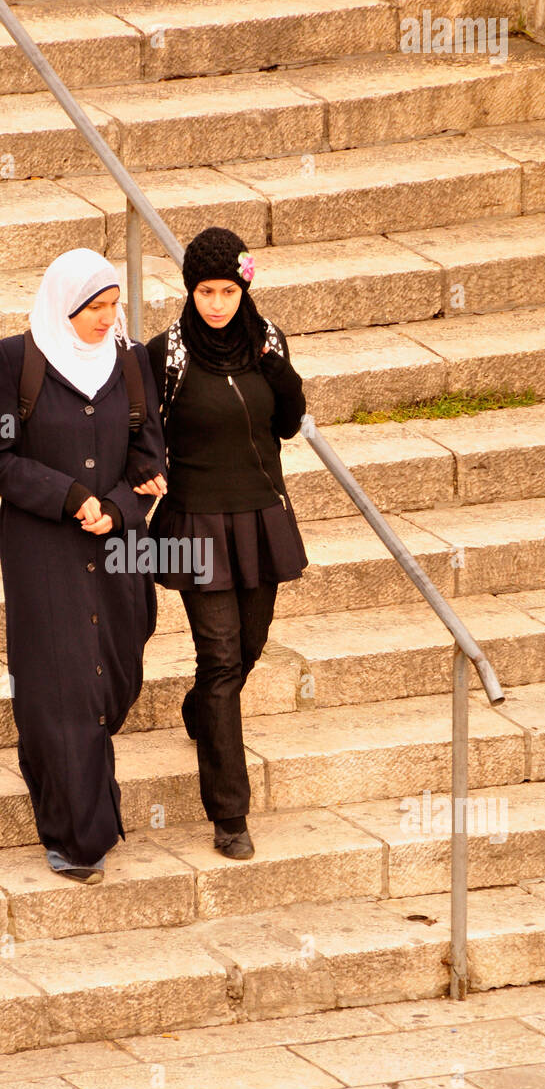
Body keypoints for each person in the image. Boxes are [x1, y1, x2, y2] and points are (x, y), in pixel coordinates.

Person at [0, 249, 166, 884]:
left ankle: (82, 798)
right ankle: (77, 836)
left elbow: (150, 451)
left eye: (114, 306)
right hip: (44, 555)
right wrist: (70, 498)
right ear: (64, 306)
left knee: (115, 679)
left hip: (117, 550)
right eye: (95, 309)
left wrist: (117, 506)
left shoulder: (132, 362)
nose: (108, 319)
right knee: (61, 694)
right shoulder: (13, 362)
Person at [133, 226, 307, 861]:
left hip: (261, 515)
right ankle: (230, 815)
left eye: (227, 290)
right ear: (190, 291)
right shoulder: (167, 353)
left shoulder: (269, 341)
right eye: (205, 290)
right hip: (195, 521)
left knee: (251, 645)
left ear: (243, 288)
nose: (216, 303)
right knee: (223, 660)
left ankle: (201, 711)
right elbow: (143, 428)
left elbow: (287, 422)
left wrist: (276, 366)